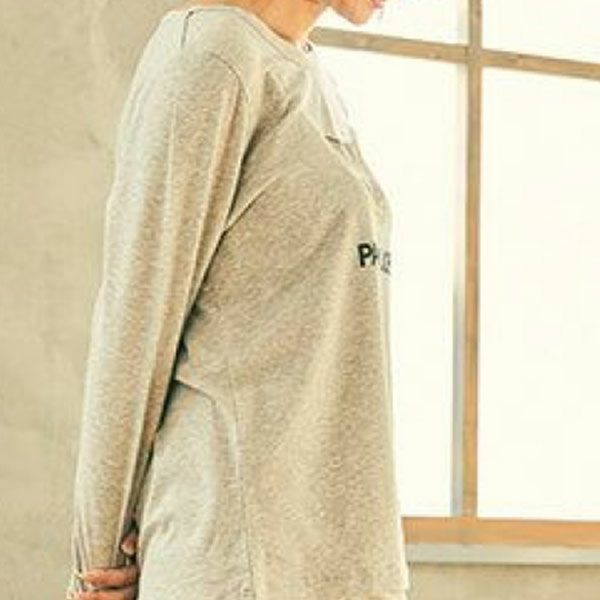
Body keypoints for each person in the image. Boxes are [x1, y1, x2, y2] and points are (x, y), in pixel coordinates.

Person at [65, 0, 412, 599]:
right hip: (236, 562)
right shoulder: (210, 59)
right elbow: (135, 319)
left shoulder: (310, 77)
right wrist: (93, 564)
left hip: (345, 563)